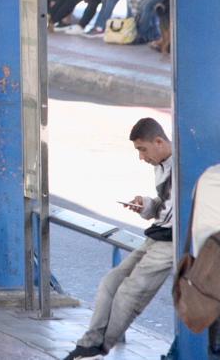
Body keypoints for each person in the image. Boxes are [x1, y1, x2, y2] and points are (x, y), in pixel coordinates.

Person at [63, 118, 174, 360]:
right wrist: (145, 205)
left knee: (129, 292)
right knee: (110, 282)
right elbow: (164, 207)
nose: (142, 158)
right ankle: (88, 342)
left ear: (158, 141)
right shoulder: (160, 166)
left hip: (171, 241)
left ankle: (99, 348)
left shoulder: (183, 165)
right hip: (156, 235)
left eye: (142, 150)